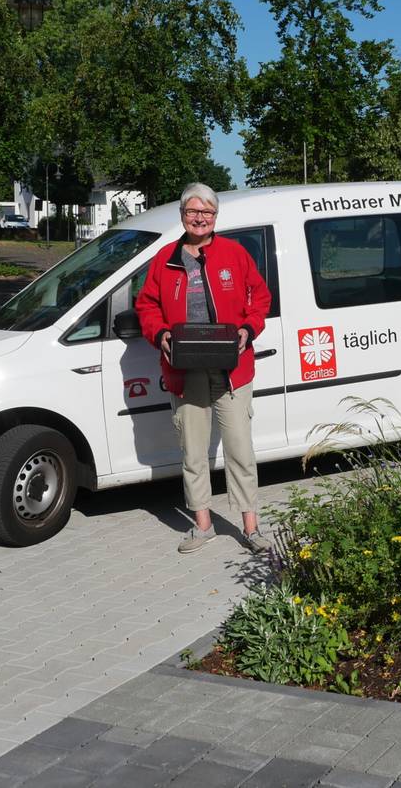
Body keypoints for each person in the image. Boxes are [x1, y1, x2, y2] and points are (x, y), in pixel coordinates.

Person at [135, 182, 272, 554]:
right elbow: (146, 306)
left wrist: (247, 328)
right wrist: (160, 334)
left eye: (207, 213)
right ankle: (203, 525)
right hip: (185, 369)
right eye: (193, 212)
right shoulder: (165, 259)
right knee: (194, 452)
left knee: (240, 450)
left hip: (232, 369)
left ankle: (251, 527)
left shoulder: (235, 254)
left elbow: (259, 297)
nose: (200, 219)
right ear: (183, 216)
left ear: (215, 217)